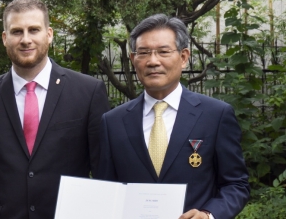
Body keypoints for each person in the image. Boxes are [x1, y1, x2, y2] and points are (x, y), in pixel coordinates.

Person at [0, 0, 110, 219]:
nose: (25, 39)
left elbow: (103, 174)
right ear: (5, 38)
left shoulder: (88, 92)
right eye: (16, 32)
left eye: (34, 30)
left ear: (49, 34)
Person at [99, 14, 249, 219]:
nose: (153, 61)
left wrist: (209, 214)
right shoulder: (113, 122)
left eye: (163, 52)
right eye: (143, 53)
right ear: (134, 60)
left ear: (184, 57)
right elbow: (106, 190)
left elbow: (236, 184)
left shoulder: (215, 115)